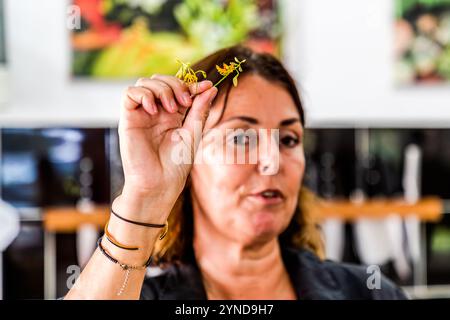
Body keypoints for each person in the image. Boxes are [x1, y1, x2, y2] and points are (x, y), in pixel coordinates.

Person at [65, 45, 407, 300]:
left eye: (288, 139)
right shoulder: (136, 295)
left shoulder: (371, 294)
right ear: (188, 156)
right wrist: (145, 195)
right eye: (242, 137)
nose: (272, 161)